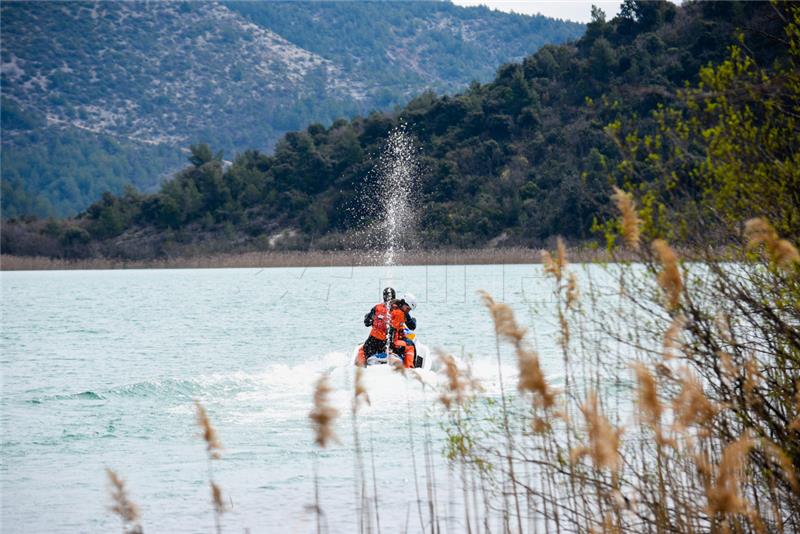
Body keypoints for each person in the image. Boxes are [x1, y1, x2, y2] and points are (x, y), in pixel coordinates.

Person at [356, 287, 395, 366]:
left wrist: (373, 321)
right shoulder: (399, 310)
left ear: (383, 297)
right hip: (389, 343)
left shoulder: (376, 308)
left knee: (362, 351)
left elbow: (366, 322)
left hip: (374, 341)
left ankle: (360, 368)